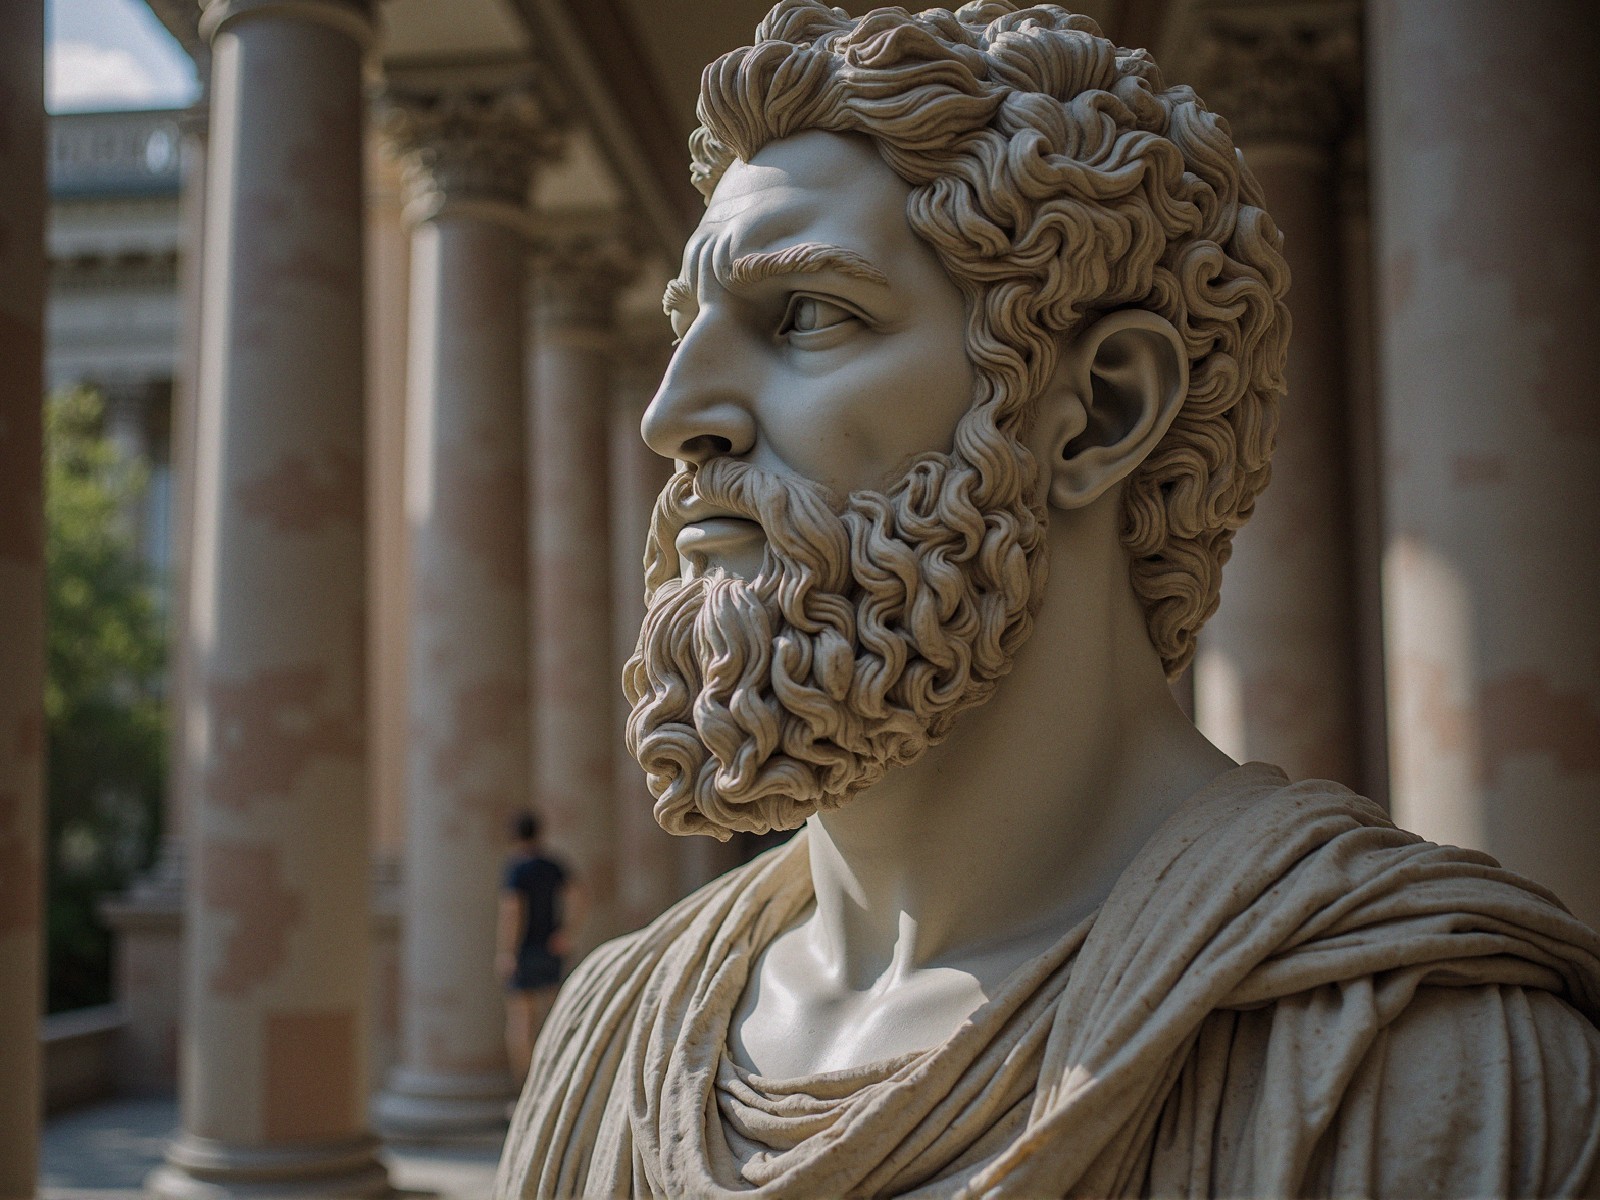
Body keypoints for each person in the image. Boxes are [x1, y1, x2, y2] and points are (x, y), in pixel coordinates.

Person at [497, 3, 1600, 1195]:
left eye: (808, 314)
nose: (674, 415)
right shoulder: (607, 1038)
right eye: (685, 330)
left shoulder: (1450, 1071)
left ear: (1103, 410)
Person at [496, 811, 576, 1080]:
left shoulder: (517, 869)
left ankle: (527, 1084)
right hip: (550, 947)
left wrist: (507, 952)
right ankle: (555, 1076)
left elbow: (513, 911)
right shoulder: (551, 865)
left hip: (525, 950)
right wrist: (566, 932)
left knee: (521, 1023)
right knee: (554, 1017)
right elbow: (581, 894)